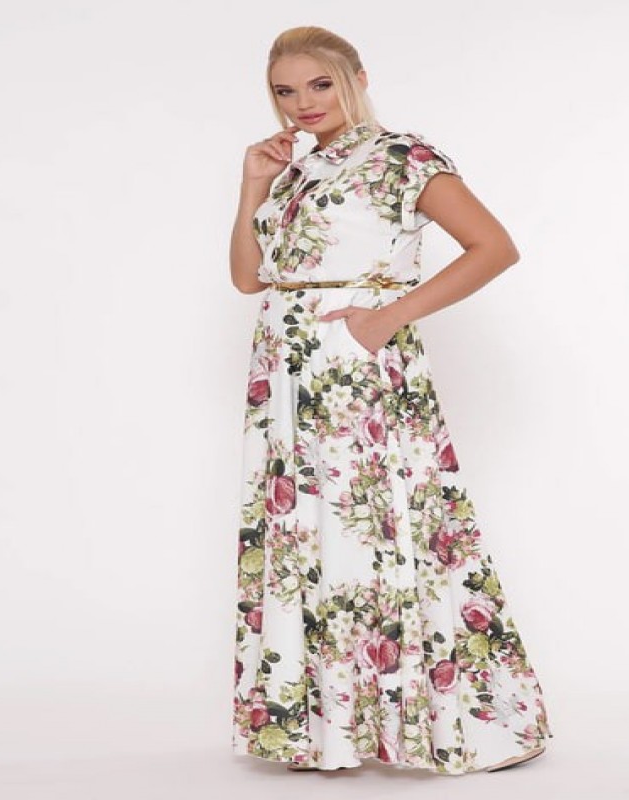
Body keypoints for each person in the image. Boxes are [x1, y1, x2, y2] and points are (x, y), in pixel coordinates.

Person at [229, 25, 554, 776]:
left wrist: (384, 319)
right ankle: (326, 730)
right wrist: (253, 185)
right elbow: (249, 278)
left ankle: (452, 722)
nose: (302, 103)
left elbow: (494, 247)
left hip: (356, 367)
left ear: (357, 77)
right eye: (285, 90)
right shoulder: (295, 170)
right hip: (286, 371)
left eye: (319, 84)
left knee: (378, 529)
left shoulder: (402, 157)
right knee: (308, 540)